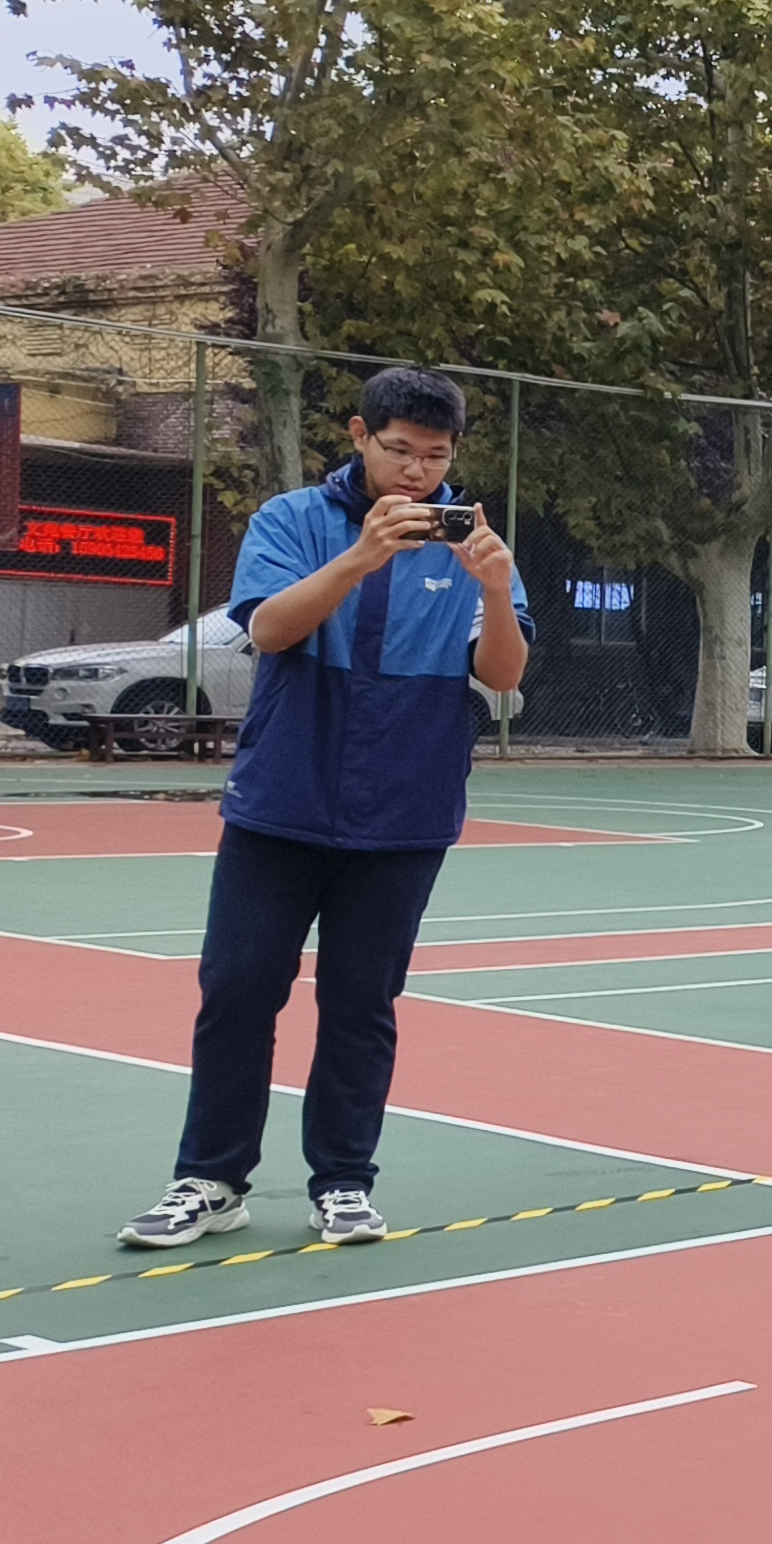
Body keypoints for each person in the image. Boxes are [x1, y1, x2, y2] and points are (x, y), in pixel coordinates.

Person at [115, 369, 530, 1250]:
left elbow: (502, 675)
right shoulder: (291, 520)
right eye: (400, 450)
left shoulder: (471, 544)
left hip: (404, 812)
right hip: (282, 801)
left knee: (360, 1002)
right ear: (359, 434)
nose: (417, 471)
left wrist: (495, 589)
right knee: (237, 990)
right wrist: (360, 558)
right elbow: (268, 630)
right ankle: (211, 1180)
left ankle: (343, 1182)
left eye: (435, 457)